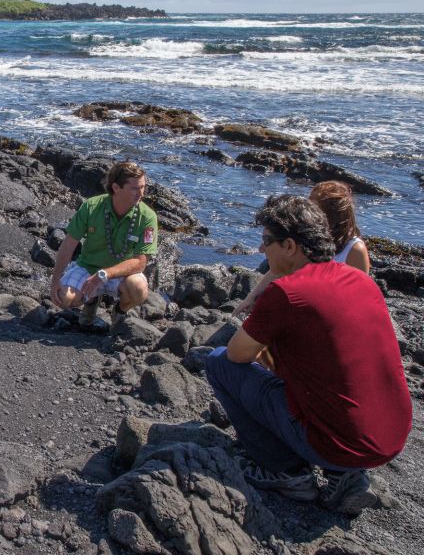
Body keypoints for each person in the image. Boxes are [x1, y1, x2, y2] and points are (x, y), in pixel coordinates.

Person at [205, 195, 411, 515]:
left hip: (339, 444)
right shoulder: (361, 280)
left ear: (290, 246)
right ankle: (341, 474)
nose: (261, 250)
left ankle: (286, 471)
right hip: (392, 437)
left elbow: (237, 354)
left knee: (218, 361)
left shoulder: (288, 293)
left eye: (266, 242)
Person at [234, 180, 370, 317]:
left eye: (313, 207)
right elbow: (280, 268)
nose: (306, 212)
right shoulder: (307, 235)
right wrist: (251, 298)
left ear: (330, 216)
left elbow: (359, 296)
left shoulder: (354, 249)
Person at [50, 161, 158, 325]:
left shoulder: (148, 217)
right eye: (135, 188)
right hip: (88, 267)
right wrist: (55, 281)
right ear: (116, 188)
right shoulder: (91, 207)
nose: (141, 193)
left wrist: (104, 275)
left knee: (138, 290)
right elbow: (68, 245)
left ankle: (119, 311)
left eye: (143, 187)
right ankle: (91, 299)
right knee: (64, 298)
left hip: (120, 274)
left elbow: (140, 262)